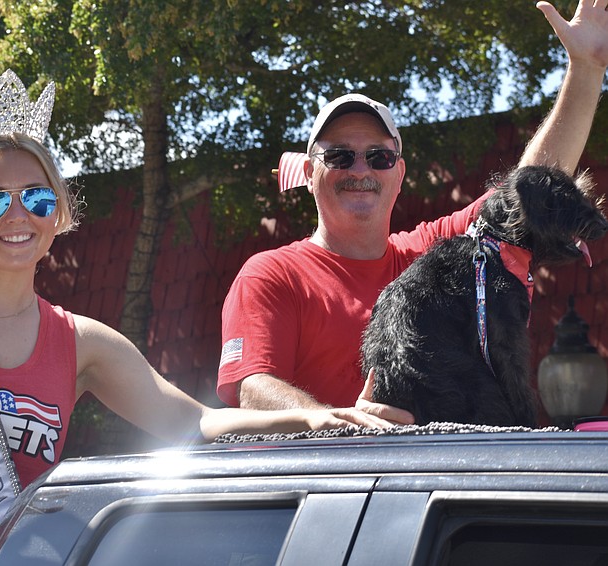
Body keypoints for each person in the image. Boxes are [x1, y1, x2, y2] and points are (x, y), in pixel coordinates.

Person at [0, 70, 396, 566]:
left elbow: (194, 425)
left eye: (37, 198)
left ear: (58, 213)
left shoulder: (82, 344)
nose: (17, 215)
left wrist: (315, 421)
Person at [217, 0, 608, 420]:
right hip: (331, 482)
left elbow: (529, 193)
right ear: (310, 173)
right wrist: (338, 423)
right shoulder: (272, 274)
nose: (361, 169)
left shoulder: (431, 256)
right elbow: (254, 388)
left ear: (398, 174)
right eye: (341, 157)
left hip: (425, 481)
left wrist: (585, 71)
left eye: (379, 158)